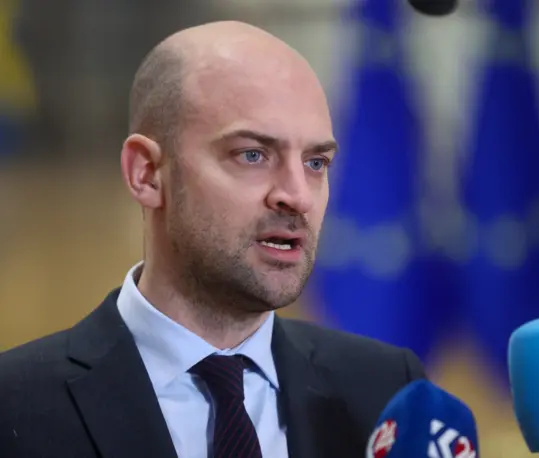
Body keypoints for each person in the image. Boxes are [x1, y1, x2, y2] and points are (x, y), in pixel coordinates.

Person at [0, 21, 427, 458]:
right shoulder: (14, 407)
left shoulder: (390, 393)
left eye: (316, 163)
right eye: (253, 155)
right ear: (146, 173)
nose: (297, 196)